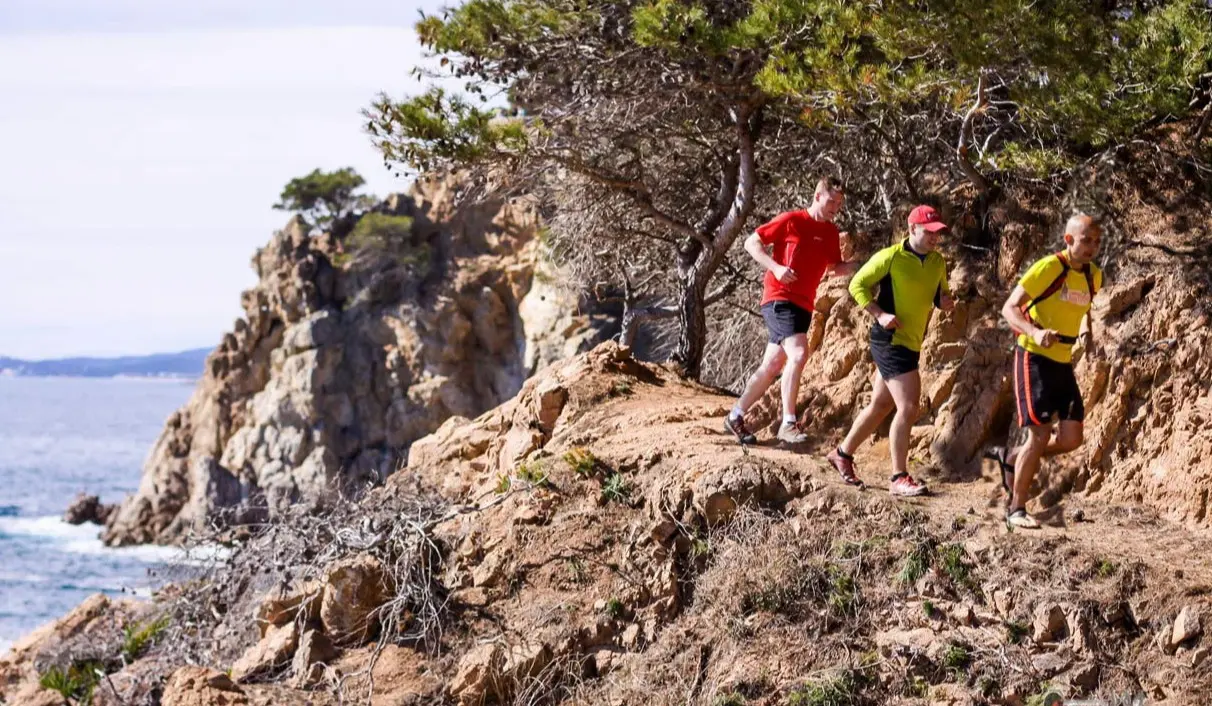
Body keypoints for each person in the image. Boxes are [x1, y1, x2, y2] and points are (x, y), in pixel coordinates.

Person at [826, 205, 955, 496]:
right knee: (908, 406)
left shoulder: (937, 262)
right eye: (930, 232)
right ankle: (898, 477)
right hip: (889, 339)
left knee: (881, 405)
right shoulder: (890, 257)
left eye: (938, 233)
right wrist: (879, 313)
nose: (935, 238)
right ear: (912, 229)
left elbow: (940, 292)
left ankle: (842, 454)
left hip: (912, 342)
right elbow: (857, 284)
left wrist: (945, 302)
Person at [986, 213, 1103, 529]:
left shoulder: (1094, 276)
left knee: (1071, 438)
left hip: (1063, 361)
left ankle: (1013, 458)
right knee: (1038, 435)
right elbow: (1009, 308)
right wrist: (1034, 332)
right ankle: (1016, 508)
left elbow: (1084, 310)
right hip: (1033, 358)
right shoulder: (1048, 268)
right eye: (1085, 240)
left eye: (1096, 241)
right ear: (1068, 240)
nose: (1092, 247)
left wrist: (1088, 336)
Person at [723, 177, 858, 445]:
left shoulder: (831, 233)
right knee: (798, 353)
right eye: (831, 201)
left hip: (803, 305)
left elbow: (835, 268)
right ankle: (788, 423)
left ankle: (736, 415)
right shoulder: (792, 220)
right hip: (779, 298)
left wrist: (865, 263)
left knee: (773, 364)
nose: (835, 207)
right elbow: (752, 243)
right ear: (817, 196)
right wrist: (776, 267)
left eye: (839, 204)